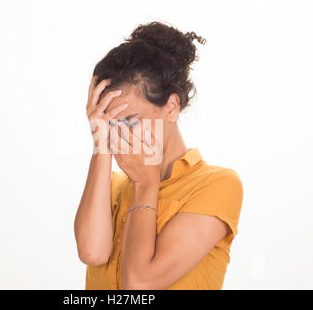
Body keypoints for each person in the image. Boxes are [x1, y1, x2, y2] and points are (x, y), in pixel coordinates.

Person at [74, 21, 243, 290]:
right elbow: (92, 253)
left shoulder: (217, 185)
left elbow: (140, 285)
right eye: (108, 124)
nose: (119, 134)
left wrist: (146, 183)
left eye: (129, 120)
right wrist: (101, 146)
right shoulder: (114, 186)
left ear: (171, 107)